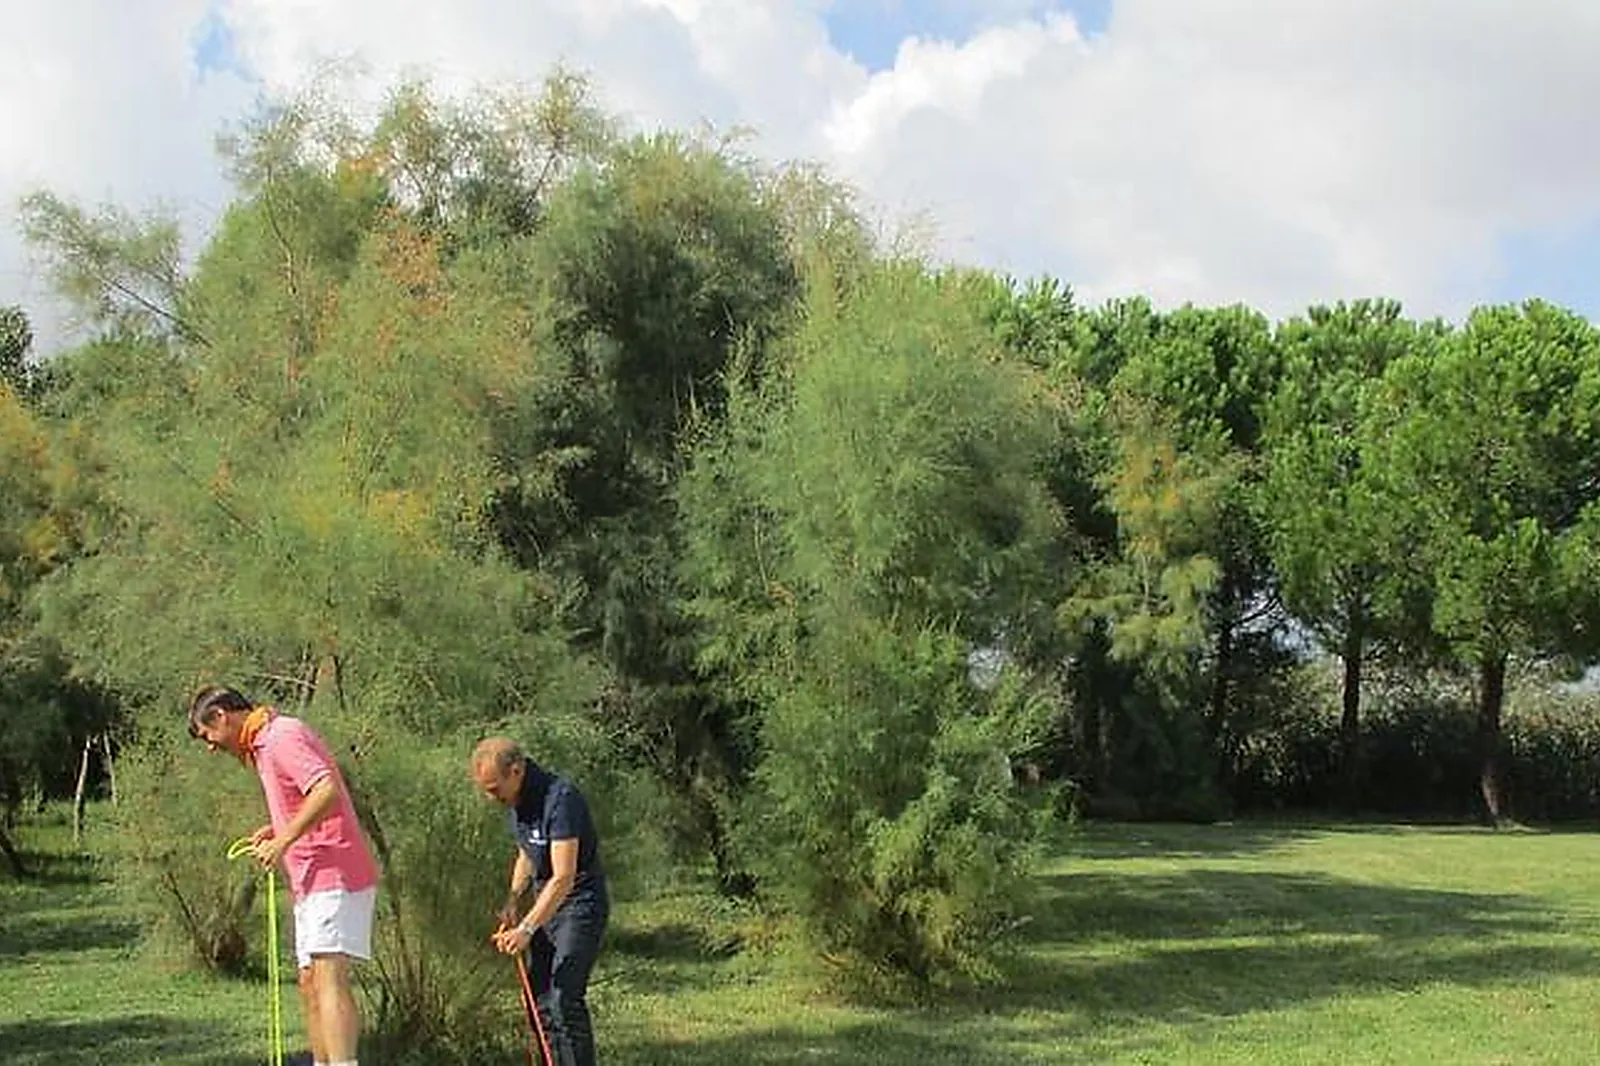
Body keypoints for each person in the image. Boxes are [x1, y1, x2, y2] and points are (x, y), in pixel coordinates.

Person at [189, 685, 379, 1066]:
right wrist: (277, 828)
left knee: (328, 978)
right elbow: (305, 797)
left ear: (222, 716)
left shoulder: (282, 736)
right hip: (310, 878)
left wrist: (284, 839)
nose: (211, 746)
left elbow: (326, 791)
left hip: (335, 870)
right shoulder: (263, 746)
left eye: (207, 735)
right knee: (310, 984)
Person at [473, 736, 609, 1066]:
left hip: (579, 904)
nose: (492, 798)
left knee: (564, 998)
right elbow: (528, 853)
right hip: (545, 902)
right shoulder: (519, 801)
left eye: (494, 789)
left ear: (516, 771)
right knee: (539, 999)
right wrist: (512, 900)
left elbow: (563, 876)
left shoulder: (561, 799)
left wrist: (527, 928)